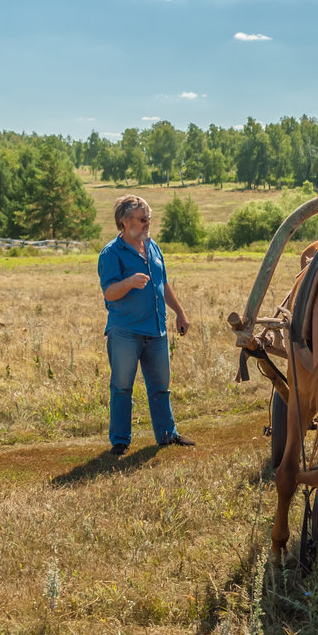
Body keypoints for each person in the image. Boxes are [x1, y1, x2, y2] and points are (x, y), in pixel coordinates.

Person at [97, 195, 194, 455]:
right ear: (124, 222)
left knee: (161, 387)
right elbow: (109, 293)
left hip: (156, 330)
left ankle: (166, 435)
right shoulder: (111, 253)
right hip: (125, 332)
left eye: (149, 219)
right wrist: (128, 283)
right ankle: (120, 441)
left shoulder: (152, 247)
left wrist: (180, 313)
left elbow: (164, 283)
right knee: (122, 387)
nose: (147, 224)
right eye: (142, 219)